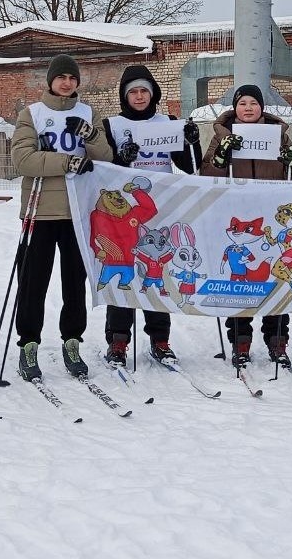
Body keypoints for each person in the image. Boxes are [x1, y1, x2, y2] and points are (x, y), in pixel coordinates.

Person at [11, 55, 113, 382]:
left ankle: (72, 341)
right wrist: (66, 161)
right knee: (33, 282)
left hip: (78, 210)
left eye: (72, 78)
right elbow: (23, 160)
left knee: (74, 282)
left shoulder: (88, 113)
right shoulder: (32, 114)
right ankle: (28, 343)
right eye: (61, 77)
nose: (67, 83)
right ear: (50, 81)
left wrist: (91, 137)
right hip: (40, 210)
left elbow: (106, 157)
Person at [100, 64, 201, 366]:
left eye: (144, 90)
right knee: (124, 269)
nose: (139, 96)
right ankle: (118, 339)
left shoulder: (167, 122)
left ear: (153, 93)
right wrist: (122, 158)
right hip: (125, 210)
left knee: (157, 273)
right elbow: (103, 168)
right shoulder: (112, 125)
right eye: (133, 92)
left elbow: (189, 166)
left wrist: (192, 141)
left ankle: (160, 338)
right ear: (124, 96)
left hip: (161, 209)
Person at [200, 84, 292, 368]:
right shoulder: (221, 134)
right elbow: (206, 175)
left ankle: (277, 339)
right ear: (235, 108)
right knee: (240, 280)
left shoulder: (278, 134)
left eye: (253, 103)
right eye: (242, 103)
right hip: (238, 218)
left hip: (270, 219)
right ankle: (240, 341)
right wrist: (221, 156)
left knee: (275, 278)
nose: (248, 108)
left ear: (262, 107)